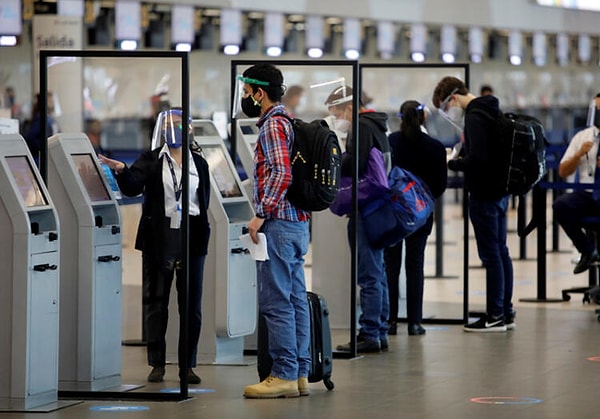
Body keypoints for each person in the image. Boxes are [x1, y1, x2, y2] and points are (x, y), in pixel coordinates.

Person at [99, 108, 210, 384]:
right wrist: (122, 171)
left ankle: (188, 365)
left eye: (179, 125)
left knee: (191, 306)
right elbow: (133, 187)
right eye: (169, 125)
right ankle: (157, 363)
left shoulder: (199, 162)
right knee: (156, 302)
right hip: (159, 237)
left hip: (191, 235)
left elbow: (203, 201)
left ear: (189, 129)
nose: (174, 130)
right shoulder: (150, 160)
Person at [239, 64, 312, 399]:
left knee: (276, 302)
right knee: (295, 300)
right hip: (297, 224)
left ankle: (282, 373)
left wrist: (260, 214)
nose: (244, 97)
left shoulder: (272, 125)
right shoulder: (289, 121)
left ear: (259, 92)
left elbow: (282, 173)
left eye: (246, 91)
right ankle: (299, 373)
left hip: (279, 225)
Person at [433, 76, 515, 333]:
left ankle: (494, 316)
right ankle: (504, 311)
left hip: (485, 194)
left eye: (447, 107)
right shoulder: (491, 110)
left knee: (491, 254)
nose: (449, 112)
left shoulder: (475, 116)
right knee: (501, 252)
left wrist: (452, 163)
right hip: (500, 191)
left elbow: (478, 160)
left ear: (453, 98)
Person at [326, 85, 391, 352]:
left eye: (336, 113)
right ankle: (380, 330)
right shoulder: (377, 125)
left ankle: (370, 333)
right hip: (378, 207)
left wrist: (333, 160)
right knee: (378, 271)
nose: (336, 119)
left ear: (350, 107)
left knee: (368, 274)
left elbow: (358, 163)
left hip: (365, 208)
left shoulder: (361, 126)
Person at [384, 101, 447, 336]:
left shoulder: (392, 143)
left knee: (391, 266)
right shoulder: (436, 148)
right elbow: (440, 185)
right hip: (421, 216)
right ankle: (414, 322)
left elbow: (384, 176)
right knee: (415, 265)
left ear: (400, 118)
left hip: (393, 214)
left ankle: (390, 321)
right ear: (424, 119)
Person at [553, 93, 600, 274]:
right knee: (561, 205)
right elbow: (563, 171)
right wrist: (579, 154)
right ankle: (588, 251)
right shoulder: (583, 136)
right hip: (587, 194)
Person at [25, 91, 59, 164]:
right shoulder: (40, 118)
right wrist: (43, 146)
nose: (52, 103)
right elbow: (30, 138)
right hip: (39, 158)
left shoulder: (50, 118)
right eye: (49, 101)